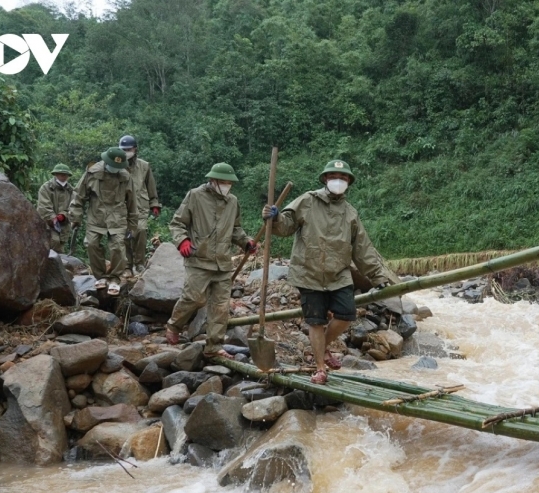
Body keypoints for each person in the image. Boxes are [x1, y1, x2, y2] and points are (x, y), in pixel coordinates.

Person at [263, 159, 397, 385]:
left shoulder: (350, 213)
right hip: (309, 272)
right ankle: (320, 367)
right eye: (334, 177)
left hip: (339, 274)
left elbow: (362, 249)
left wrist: (378, 277)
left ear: (348, 183)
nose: (338, 181)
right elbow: (285, 227)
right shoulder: (307, 201)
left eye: (343, 178)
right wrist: (275, 217)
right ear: (325, 179)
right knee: (315, 321)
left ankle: (321, 348)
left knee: (346, 315)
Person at [165, 163, 258, 359]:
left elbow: (236, 230)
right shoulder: (195, 196)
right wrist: (183, 240)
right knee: (193, 297)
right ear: (212, 180)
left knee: (221, 306)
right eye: (222, 182)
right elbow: (177, 223)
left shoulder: (232, 202)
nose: (226, 185)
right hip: (199, 258)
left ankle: (214, 346)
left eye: (229, 182)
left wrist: (246, 242)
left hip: (223, 262)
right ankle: (174, 325)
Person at [68, 147, 138, 296]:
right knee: (92, 244)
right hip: (96, 215)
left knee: (118, 247)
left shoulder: (125, 176)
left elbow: (132, 202)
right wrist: (76, 217)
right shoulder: (92, 172)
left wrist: (132, 225)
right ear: (106, 162)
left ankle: (114, 278)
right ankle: (101, 277)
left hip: (117, 217)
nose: (115, 169)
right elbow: (79, 196)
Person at [119, 135, 161, 275]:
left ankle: (139, 263)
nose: (126, 152)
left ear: (135, 149)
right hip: (122, 207)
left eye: (128, 149)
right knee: (125, 236)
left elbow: (151, 186)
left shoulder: (144, 166)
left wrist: (154, 204)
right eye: (123, 149)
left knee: (141, 231)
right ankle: (126, 266)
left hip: (140, 206)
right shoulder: (117, 165)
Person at [36, 163, 75, 253]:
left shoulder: (71, 190)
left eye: (65, 174)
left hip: (64, 226)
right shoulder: (46, 188)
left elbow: (74, 208)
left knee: (60, 248)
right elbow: (44, 207)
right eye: (61, 174)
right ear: (55, 174)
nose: (63, 176)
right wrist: (53, 218)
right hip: (47, 224)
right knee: (53, 243)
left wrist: (64, 215)